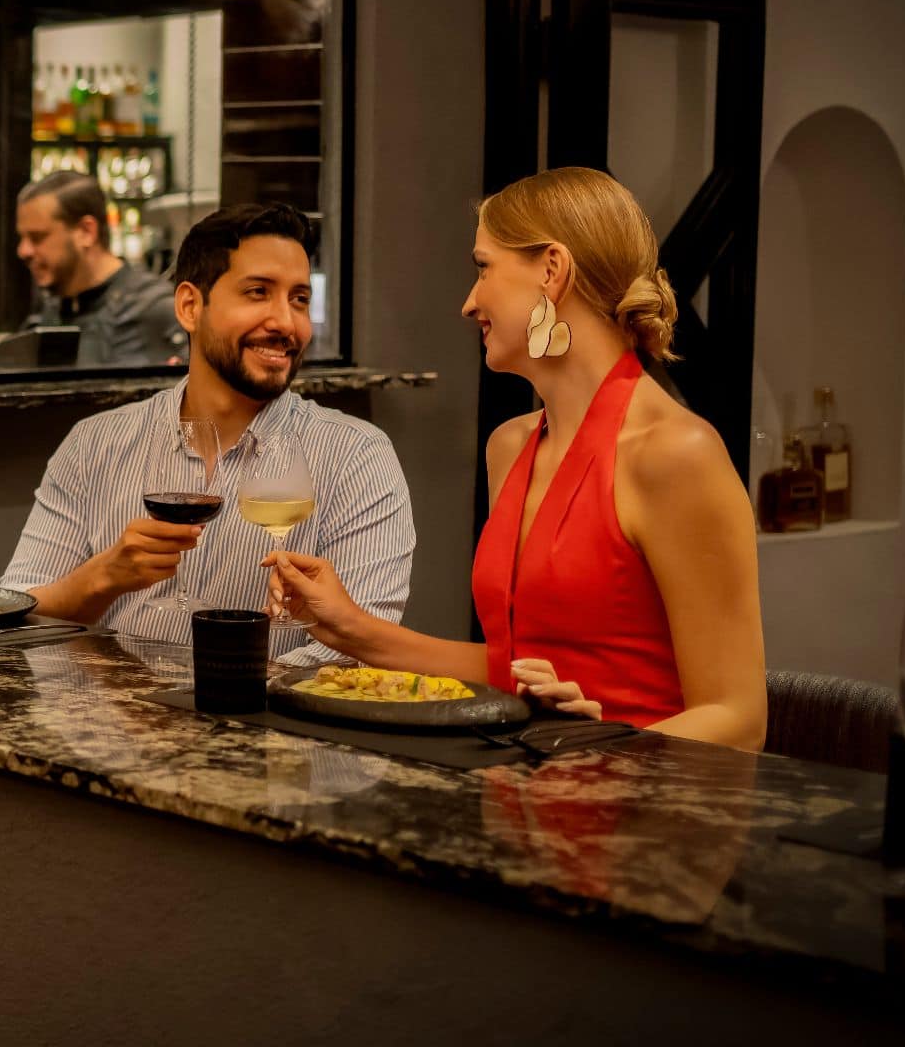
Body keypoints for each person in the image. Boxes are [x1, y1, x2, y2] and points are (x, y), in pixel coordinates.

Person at [268, 167, 766, 748]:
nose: (468, 302)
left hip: (644, 798)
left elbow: (738, 719)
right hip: (524, 781)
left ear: (551, 271)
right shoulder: (509, 446)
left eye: (483, 268)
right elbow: (513, 669)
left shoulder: (676, 454)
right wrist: (348, 626)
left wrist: (605, 749)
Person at [1, 203, 412, 658]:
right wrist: (103, 578)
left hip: (262, 706)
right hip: (101, 703)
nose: (285, 322)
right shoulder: (95, 444)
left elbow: (359, 649)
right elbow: (17, 615)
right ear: (190, 306)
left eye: (299, 299)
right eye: (258, 292)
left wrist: (206, 693)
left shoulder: (355, 455)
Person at [15, 170, 183, 367]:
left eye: (37, 237)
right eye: (22, 238)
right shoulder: (47, 315)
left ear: (86, 231)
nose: (23, 251)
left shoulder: (155, 310)